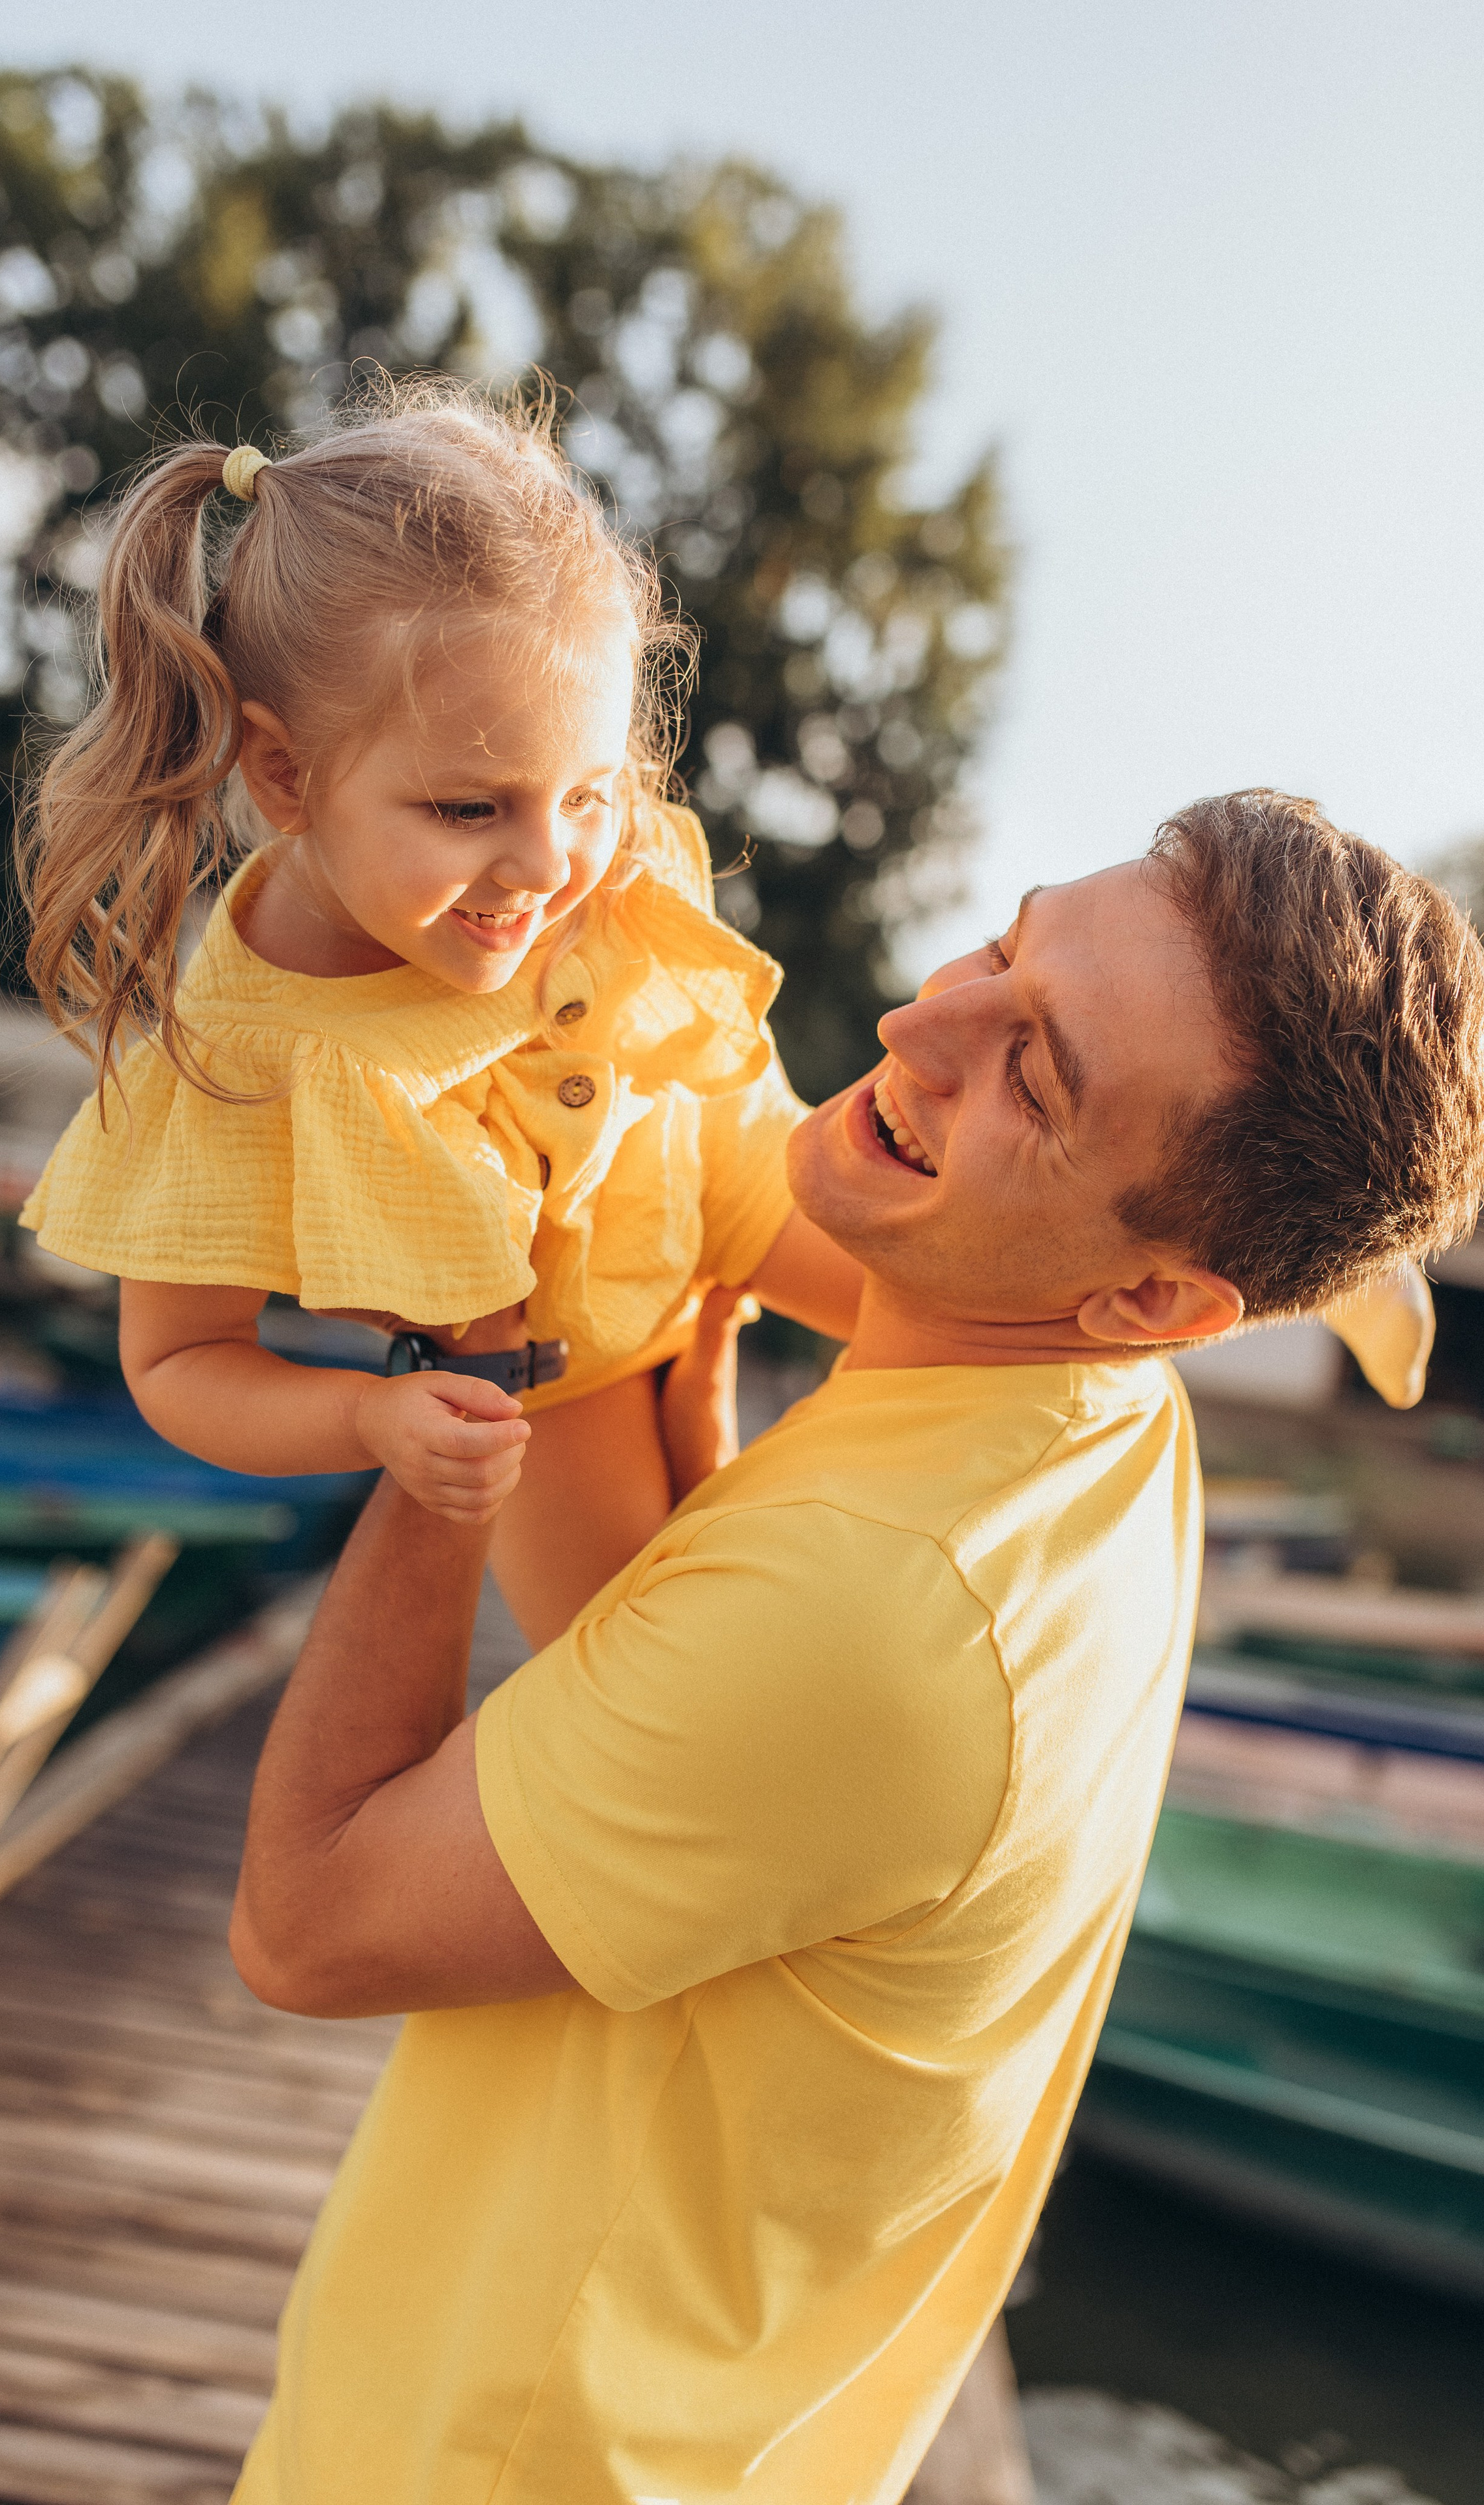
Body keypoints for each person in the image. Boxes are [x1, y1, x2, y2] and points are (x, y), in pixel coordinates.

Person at [225, 790, 1484, 2504]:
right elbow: (677, 1682)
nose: (919, 1021)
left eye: (1035, 1073)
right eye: (1007, 940)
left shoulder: (883, 1616)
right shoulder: (1095, 1410)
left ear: (1164, 1303)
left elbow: (306, 1920)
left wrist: (467, 1362)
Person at [15, 380, 862, 1645]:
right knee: (640, 1668)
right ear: (287, 774)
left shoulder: (564, 850)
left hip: (726, 1164)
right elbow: (175, 1363)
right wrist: (363, 1419)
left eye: (587, 792)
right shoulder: (250, 1048)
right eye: (470, 811)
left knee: (985, 1323)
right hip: (557, 1369)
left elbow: (730, 1086)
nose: (547, 866)